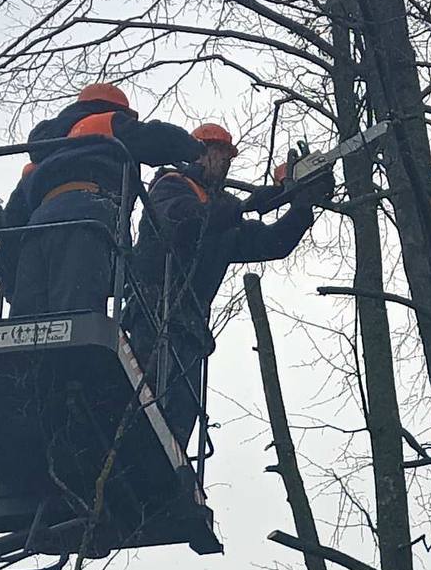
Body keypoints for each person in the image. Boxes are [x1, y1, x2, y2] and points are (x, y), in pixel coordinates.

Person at [129, 122, 333, 450]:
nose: (224, 164)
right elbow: (184, 220)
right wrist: (246, 205)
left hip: (191, 327)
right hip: (154, 314)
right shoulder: (171, 186)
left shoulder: (224, 219)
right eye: (218, 154)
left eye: (228, 157)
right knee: (145, 413)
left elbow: (271, 242)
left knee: (176, 426)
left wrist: (302, 204)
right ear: (198, 153)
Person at [7, 83, 204, 317]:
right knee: (76, 320)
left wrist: (10, 278)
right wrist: (194, 149)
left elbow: (10, 222)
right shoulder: (105, 123)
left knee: (25, 326)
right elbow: (159, 139)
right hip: (86, 216)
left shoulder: (45, 153)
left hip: (37, 228)